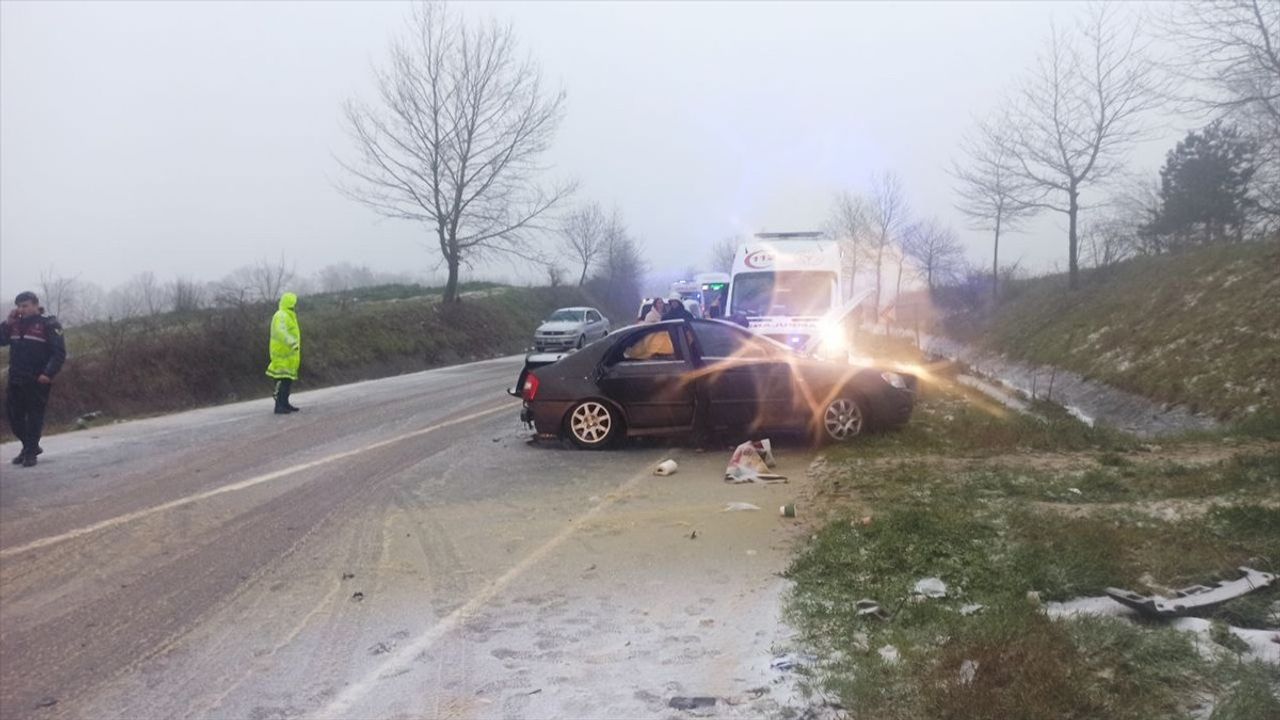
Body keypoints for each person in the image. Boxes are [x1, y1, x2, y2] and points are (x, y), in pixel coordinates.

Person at [1, 291, 67, 467]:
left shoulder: (49, 324)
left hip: (38, 379)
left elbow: (59, 353)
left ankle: (30, 453)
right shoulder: (15, 324)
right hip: (16, 377)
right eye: (19, 306)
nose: (22, 309)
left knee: (34, 416)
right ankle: (30, 446)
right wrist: (7, 323)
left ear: (36, 305)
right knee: (14, 417)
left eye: (25, 305)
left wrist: (48, 373)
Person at [266, 292, 302, 415]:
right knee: (281, 380)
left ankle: (285, 403)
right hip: (281, 353)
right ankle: (279, 406)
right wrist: (291, 342)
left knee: (287, 380)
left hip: (289, 354)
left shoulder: (289, 315)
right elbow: (280, 331)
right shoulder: (281, 315)